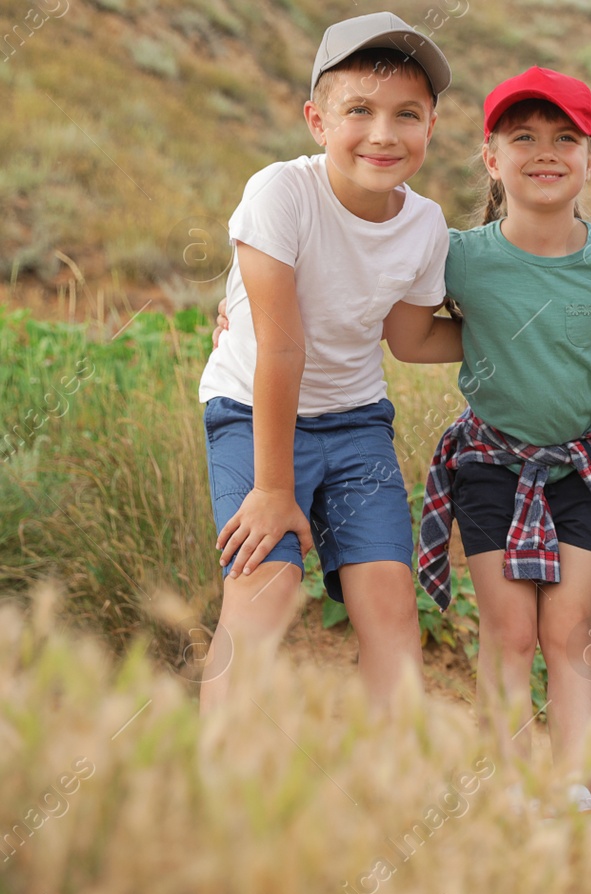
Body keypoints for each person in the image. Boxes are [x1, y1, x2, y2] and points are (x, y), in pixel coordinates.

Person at [406, 67, 591, 812]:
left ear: (589, 157)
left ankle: (574, 785)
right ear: (492, 157)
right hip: (491, 459)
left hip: (586, 462)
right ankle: (506, 786)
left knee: (570, 625)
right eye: (523, 138)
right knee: (509, 629)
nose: (544, 152)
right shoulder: (463, 257)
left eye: (564, 139)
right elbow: (413, 337)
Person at [196, 13, 452, 713]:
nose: (382, 133)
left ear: (431, 126)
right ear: (316, 119)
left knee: (392, 609)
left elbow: (411, 340)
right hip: (253, 412)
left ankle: (390, 794)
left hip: (356, 424)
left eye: (407, 114)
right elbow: (281, 346)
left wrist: (522, 337)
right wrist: (274, 490)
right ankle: (212, 786)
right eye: (358, 111)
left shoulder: (426, 224)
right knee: (266, 589)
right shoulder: (280, 192)